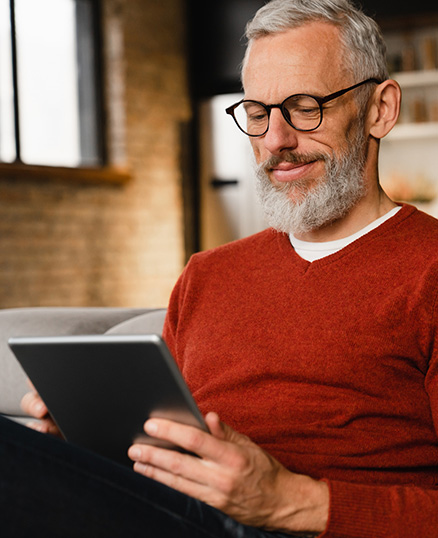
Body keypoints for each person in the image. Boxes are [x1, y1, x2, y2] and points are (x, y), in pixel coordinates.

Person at [5, 0, 438, 536]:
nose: (275, 140)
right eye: (257, 113)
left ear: (381, 110)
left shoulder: (428, 269)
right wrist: (87, 453)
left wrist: (290, 502)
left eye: (306, 107)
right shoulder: (207, 275)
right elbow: (163, 444)